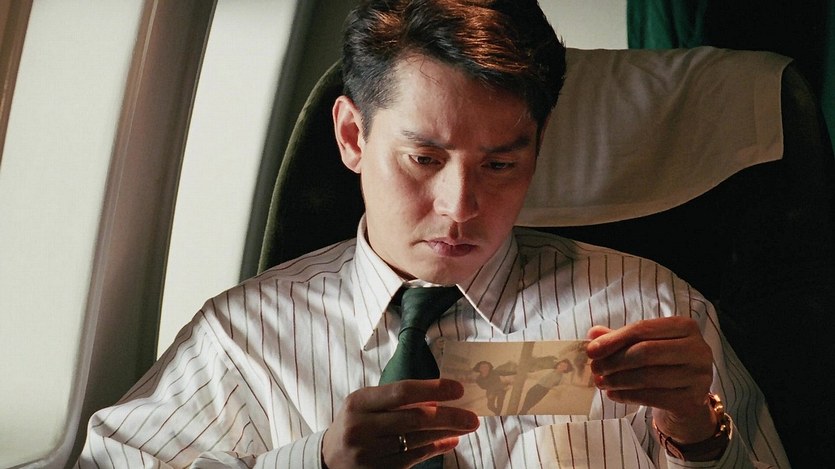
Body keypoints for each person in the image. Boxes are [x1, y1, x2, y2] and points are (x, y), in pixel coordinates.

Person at [76, 0, 790, 468]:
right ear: (353, 137)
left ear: (537, 151)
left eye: (500, 164)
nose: (460, 206)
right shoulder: (244, 338)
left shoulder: (648, 305)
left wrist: (697, 430)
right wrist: (315, 462)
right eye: (423, 159)